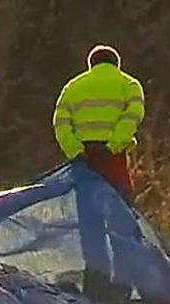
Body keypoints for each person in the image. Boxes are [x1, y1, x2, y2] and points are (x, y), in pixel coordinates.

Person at [52, 44, 145, 198]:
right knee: (119, 204)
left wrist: (75, 151)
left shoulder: (72, 87)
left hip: (83, 158)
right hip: (113, 156)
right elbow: (133, 117)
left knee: (88, 206)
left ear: (91, 65)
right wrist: (113, 145)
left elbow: (60, 123)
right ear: (117, 64)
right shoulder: (130, 85)